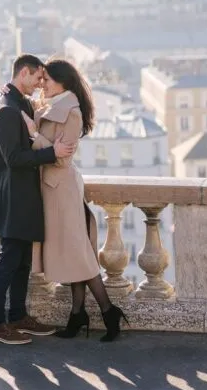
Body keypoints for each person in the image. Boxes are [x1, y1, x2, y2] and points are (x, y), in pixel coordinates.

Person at [21, 59, 129, 342]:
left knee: (79, 255)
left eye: (47, 80)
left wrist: (34, 133)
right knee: (73, 254)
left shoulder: (71, 112)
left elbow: (62, 159)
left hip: (61, 189)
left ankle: (108, 311)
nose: (42, 84)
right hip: (52, 190)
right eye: (41, 79)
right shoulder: (50, 106)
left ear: (63, 82)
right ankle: (78, 314)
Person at [0, 54, 76, 345]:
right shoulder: (8, 111)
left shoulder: (17, 103)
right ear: (23, 73)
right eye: (37, 78)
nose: (40, 85)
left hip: (24, 196)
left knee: (22, 261)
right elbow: (14, 158)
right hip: (13, 198)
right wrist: (52, 154)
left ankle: (18, 316)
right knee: (8, 262)